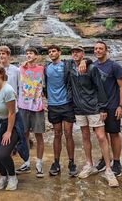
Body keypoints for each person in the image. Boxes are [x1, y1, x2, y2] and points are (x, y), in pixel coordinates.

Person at [67, 46, 119, 187]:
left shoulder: (92, 68)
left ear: (83, 54)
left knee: (101, 137)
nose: (75, 54)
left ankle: (108, 169)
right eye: (73, 52)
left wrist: (102, 108)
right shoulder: (70, 67)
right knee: (84, 136)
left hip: (94, 107)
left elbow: (99, 88)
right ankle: (89, 164)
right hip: (78, 109)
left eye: (78, 52)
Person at [92, 41, 122, 177]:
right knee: (101, 135)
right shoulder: (92, 66)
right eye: (96, 49)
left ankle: (117, 162)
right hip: (98, 108)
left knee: (114, 134)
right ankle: (105, 158)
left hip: (113, 106)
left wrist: (121, 106)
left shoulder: (114, 66)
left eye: (101, 48)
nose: (98, 50)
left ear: (106, 50)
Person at [44, 45, 79, 177]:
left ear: (59, 52)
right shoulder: (46, 67)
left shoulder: (67, 64)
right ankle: (56, 162)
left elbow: (83, 60)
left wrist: (86, 61)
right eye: (49, 52)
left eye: (54, 51)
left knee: (68, 133)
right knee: (57, 134)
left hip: (67, 104)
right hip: (53, 105)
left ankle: (71, 162)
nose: (51, 53)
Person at [0, 45, 29, 174]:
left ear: (9, 55)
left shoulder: (16, 70)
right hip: (0, 108)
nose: (2, 56)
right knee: (2, 136)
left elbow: (21, 87)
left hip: (14, 107)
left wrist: (20, 105)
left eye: (4, 53)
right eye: (0, 54)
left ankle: (26, 161)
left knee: (19, 133)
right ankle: (6, 161)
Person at [0, 65, 20, 191]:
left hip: (12, 124)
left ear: (1, 74)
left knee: (4, 154)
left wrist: (8, 132)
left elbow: (12, 113)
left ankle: (12, 177)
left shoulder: (8, 90)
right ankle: (3, 176)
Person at [17, 47, 45, 178]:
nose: (28, 55)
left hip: (37, 107)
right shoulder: (20, 69)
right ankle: (26, 162)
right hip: (23, 107)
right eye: (27, 53)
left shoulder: (42, 69)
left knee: (39, 136)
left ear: (36, 56)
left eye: (31, 53)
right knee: (24, 135)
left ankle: (39, 164)